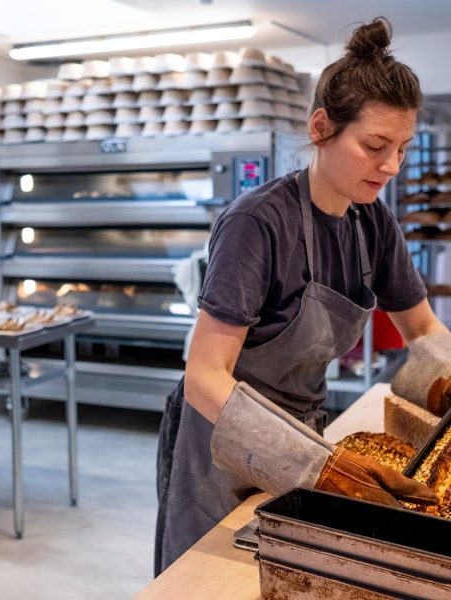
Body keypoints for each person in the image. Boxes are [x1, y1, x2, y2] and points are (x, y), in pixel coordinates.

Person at [154, 16, 445, 576]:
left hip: (306, 436)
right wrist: (322, 464)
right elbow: (205, 375)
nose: (391, 166)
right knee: (209, 581)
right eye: (375, 146)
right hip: (220, 445)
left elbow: (424, 331)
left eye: (403, 149)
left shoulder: (373, 224)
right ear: (320, 128)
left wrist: (449, 380)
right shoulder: (258, 223)